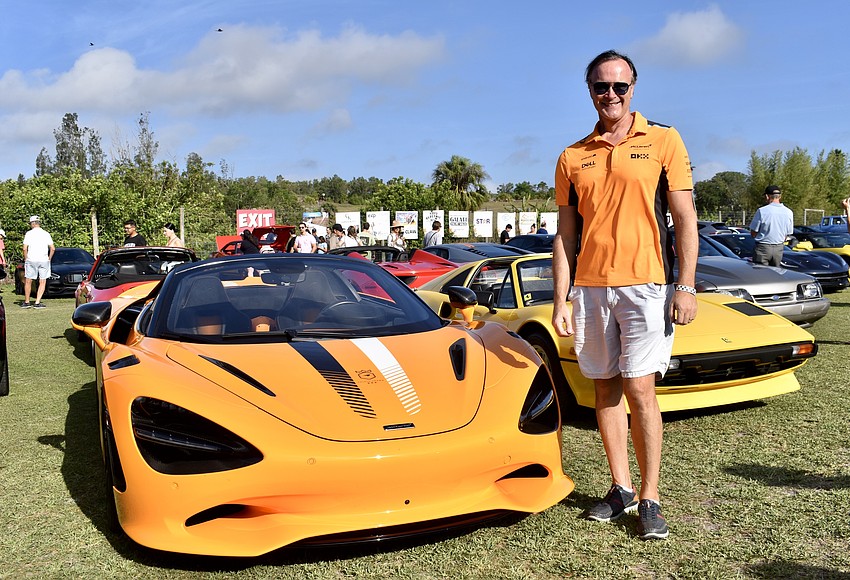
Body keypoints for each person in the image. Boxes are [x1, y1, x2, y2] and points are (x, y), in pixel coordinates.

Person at [551, 49, 698, 541]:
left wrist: (686, 285)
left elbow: (684, 219)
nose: (610, 95)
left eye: (619, 86)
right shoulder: (573, 155)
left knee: (641, 389)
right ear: (589, 90)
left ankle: (650, 496)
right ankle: (619, 487)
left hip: (647, 286)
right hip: (591, 290)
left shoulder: (663, 140)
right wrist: (560, 298)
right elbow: (565, 235)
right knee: (605, 389)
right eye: (600, 87)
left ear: (633, 88)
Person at [749, 185, 794, 267]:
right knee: (776, 275)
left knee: (761, 275)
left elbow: (753, 232)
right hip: (779, 248)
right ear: (780, 196)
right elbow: (787, 234)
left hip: (763, 247)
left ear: (767, 196)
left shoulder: (762, 211)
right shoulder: (788, 212)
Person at [21, 215, 56, 309]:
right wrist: (49, 258)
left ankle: (27, 302)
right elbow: (52, 248)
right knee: (42, 281)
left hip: (31, 259)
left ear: (33, 223)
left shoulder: (29, 234)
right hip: (43, 260)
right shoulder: (46, 233)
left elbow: (24, 248)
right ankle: (37, 302)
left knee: (28, 280)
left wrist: (26, 258)